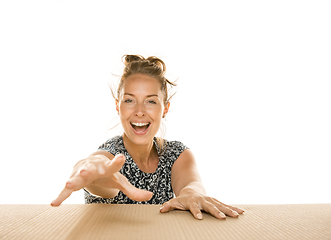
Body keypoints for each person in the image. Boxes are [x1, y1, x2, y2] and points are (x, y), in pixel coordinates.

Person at [51, 55, 244, 220]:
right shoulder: (111, 157)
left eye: (150, 101)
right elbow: (95, 165)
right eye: (129, 100)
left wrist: (192, 193)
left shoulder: (176, 154)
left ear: (165, 108)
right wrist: (89, 172)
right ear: (118, 106)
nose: (140, 111)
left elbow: (191, 185)